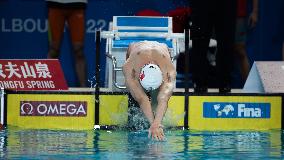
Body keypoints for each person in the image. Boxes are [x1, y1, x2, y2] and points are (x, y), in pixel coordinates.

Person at [123, 41, 176, 141]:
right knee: (136, 93)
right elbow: (142, 98)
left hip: (163, 49)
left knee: (158, 99)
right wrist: (153, 124)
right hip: (135, 48)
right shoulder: (129, 67)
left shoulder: (169, 70)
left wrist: (156, 124)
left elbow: (163, 98)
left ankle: (156, 120)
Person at [189, 0, 237, 93]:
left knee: (226, 41)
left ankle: (225, 82)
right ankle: (199, 83)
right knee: (199, 41)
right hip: (202, 4)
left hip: (225, 4)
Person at [46, 0, 87, 87]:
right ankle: (49, 86)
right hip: (55, 4)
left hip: (77, 4)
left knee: (79, 50)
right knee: (54, 50)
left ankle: (84, 90)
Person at [234, 0, 258, 83]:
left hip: (238, 14)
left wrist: (255, 11)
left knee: (240, 50)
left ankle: (249, 86)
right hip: (216, 13)